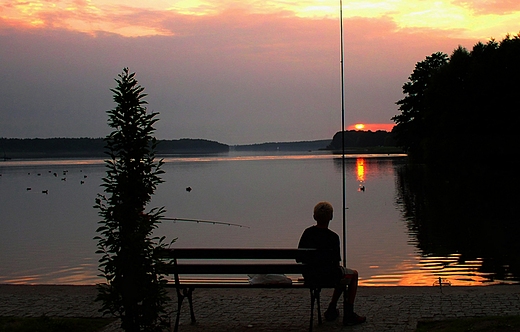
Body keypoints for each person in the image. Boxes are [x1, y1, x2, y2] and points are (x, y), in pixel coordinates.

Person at [298, 201, 366, 326]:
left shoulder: (307, 233)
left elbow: (299, 258)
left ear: (314, 216)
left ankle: (332, 309)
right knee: (352, 274)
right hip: (330, 276)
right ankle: (348, 314)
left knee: (340, 272)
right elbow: (335, 262)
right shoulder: (333, 237)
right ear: (331, 217)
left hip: (310, 276)